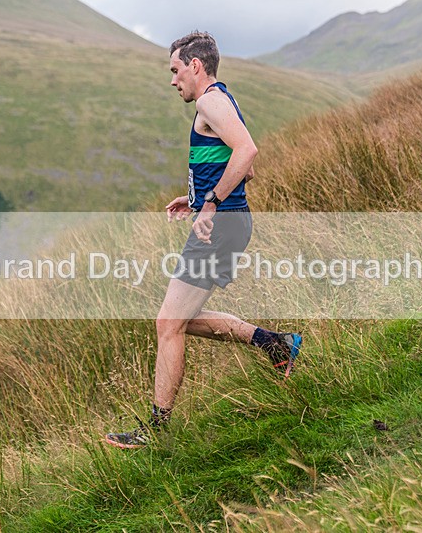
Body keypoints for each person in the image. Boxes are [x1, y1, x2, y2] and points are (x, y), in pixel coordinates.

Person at [105, 32, 302, 449]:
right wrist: (195, 197)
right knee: (179, 319)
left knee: (167, 324)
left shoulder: (210, 101)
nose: (173, 80)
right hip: (229, 222)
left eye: (175, 71)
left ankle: (155, 433)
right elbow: (243, 168)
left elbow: (247, 152)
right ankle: (276, 344)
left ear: (196, 66)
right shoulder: (222, 100)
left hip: (221, 225)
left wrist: (210, 203)